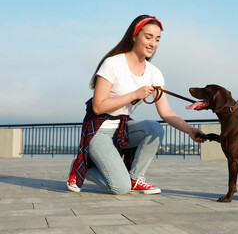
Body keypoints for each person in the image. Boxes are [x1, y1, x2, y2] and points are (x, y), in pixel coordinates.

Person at [66, 15, 205, 195]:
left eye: (157, 39)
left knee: (154, 128)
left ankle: (135, 178)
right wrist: (135, 94)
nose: (153, 44)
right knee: (120, 188)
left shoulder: (154, 74)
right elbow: (98, 107)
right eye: (148, 37)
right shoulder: (113, 63)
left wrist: (190, 130)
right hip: (98, 130)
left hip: (122, 129)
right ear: (134, 36)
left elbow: (165, 111)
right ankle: (80, 167)